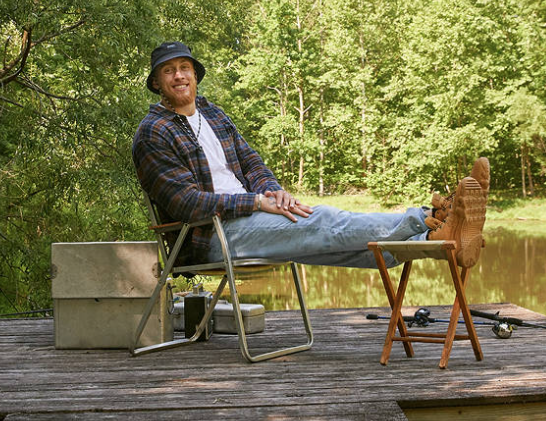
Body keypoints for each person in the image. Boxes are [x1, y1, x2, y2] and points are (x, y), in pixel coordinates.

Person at [133, 41, 489, 269]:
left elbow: (251, 163)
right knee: (325, 221)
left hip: (250, 218)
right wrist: (256, 202)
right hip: (210, 236)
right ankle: (431, 215)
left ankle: (440, 240)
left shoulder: (212, 114)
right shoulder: (154, 132)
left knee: (350, 247)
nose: (179, 76)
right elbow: (187, 204)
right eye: (169, 70)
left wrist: (273, 192)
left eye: (185, 68)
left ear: (195, 75)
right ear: (156, 83)